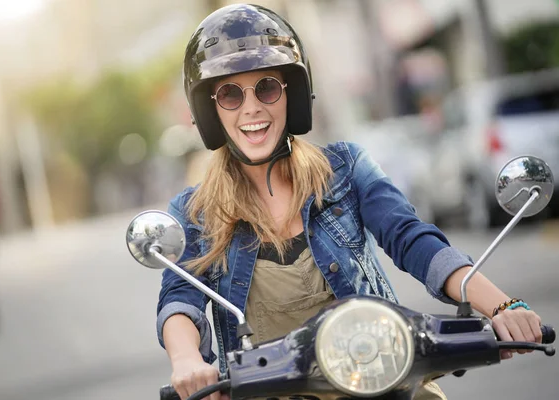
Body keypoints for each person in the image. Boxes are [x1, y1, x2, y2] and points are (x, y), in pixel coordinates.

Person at [157, 4, 543, 400]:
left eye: (267, 87)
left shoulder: (345, 169)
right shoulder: (196, 214)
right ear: (209, 109)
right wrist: (187, 361)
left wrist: (502, 306)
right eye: (230, 94)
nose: (252, 107)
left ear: (293, 93)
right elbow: (179, 298)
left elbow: (411, 238)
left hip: (382, 380)